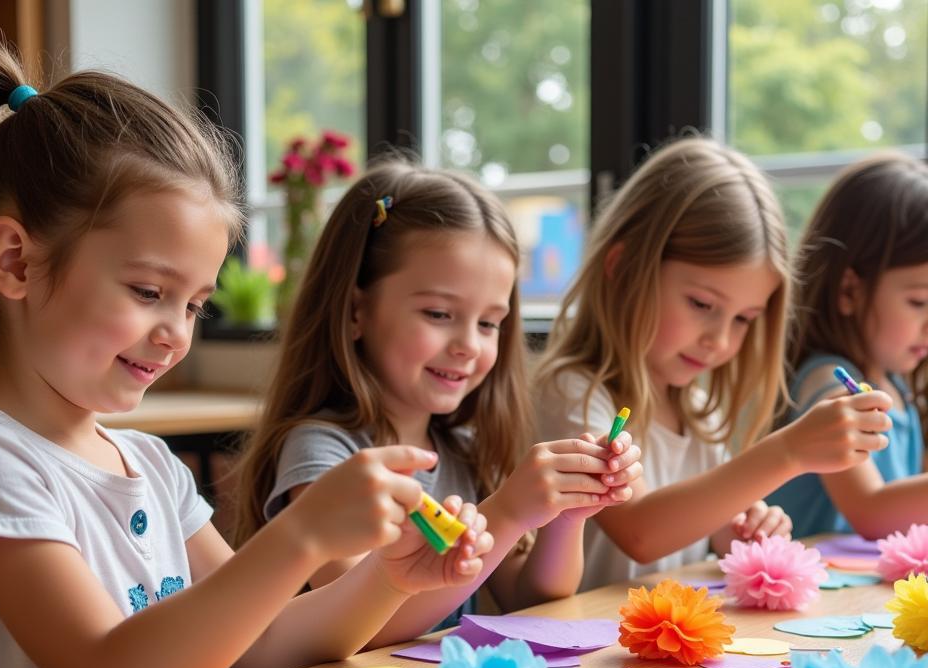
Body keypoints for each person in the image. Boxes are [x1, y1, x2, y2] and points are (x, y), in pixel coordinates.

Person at [0, 43, 491, 668]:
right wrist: (302, 535)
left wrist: (391, 578)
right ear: (16, 262)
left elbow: (265, 642)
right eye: (149, 292)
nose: (175, 333)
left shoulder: (149, 463)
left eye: (196, 305)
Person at [233, 158, 642, 641]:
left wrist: (566, 515)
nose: (469, 344)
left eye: (489, 323)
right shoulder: (324, 453)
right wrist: (508, 510)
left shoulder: (464, 447)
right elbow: (364, 625)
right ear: (356, 310)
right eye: (439, 313)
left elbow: (529, 603)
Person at [535, 137, 891, 590]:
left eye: (744, 319)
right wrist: (788, 452)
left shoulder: (699, 407)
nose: (719, 340)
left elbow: (697, 524)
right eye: (702, 304)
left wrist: (740, 528)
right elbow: (641, 533)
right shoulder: (573, 393)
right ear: (623, 268)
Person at [768, 152, 928, 537]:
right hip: (804, 591)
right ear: (849, 290)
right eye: (919, 302)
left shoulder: (899, 385)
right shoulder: (834, 384)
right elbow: (871, 512)